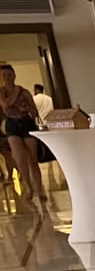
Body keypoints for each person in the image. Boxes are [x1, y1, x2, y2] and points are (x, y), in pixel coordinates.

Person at [0, 63, 45, 205]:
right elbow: (6, 104)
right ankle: (28, 188)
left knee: (32, 158)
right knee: (19, 158)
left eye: (9, 75)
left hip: (26, 123)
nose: (7, 78)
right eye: (4, 75)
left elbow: (34, 111)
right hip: (12, 125)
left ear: (14, 75)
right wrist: (16, 93)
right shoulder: (2, 92)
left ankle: (39, 189)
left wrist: (26, 107)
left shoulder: (24, 92)